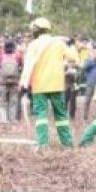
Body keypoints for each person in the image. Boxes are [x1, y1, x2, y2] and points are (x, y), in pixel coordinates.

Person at [19, 17, 74, 148]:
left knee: (41, 116)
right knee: (61, 114)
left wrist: (23, 84)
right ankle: (67, 144)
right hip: (56, 84)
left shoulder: (33, 45)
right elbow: (74, 58)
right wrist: (70, 45)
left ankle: (43, 144)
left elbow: (28, 66)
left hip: (39, 85)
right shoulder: (59, 44)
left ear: (35, 30)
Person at [0, 40, 22, 125]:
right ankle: (12, 119)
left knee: (2, 102)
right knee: (13, 102)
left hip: (3, 83)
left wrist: (0, 76)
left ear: (4, 48)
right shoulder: (18, 57)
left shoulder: (0, 57)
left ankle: (4, 119)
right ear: (14, 48)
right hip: (14, 82)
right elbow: (21, 68)